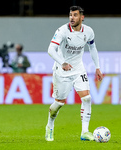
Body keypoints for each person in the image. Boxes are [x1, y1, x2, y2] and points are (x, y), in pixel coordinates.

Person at [46, 6, 103, 141]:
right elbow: (51, 50)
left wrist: (97, 67)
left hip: (78, 69)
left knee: (87, 98)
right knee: (59, 103)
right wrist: (62, 62)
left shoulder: (88, 31)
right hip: (62, 71)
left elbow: (92, 47)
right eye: (70, 15)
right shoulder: (62, 31)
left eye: (75, 15)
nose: (72, 18)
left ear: (82, 17)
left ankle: (85, 132)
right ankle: (50, 126)